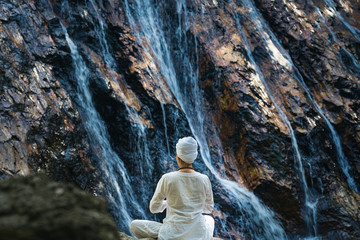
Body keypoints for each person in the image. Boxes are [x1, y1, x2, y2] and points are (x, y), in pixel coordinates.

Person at [130, 136, 215, 240]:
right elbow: (209, 208)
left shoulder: (167, 178)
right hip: (198, 235)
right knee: (209, 219)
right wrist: (192, 206)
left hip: (171, 235)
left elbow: (153, 208)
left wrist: (167, 203)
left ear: (177, 157)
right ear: (194, 157)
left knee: (134, 225)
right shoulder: (204, 179)